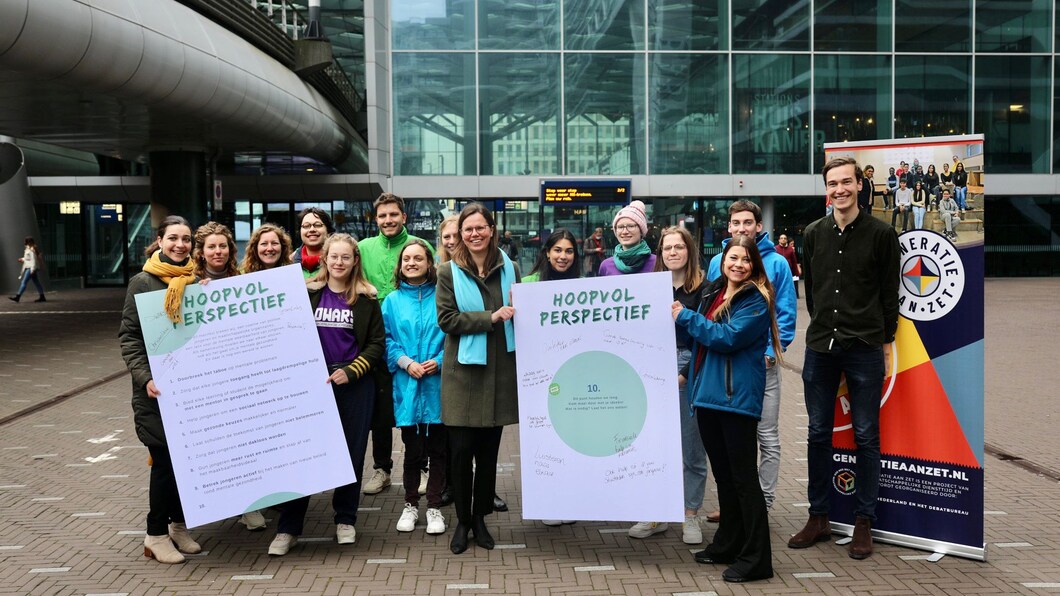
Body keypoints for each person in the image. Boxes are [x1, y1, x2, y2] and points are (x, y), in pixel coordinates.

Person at [789, 156, 899, 560]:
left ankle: (863, 521)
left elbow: (891, 295)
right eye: (833, 183)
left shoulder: (881, 234)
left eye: (846, 182)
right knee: (818, 432)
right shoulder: (814, 233)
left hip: (865, 348)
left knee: (867, 435)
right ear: (826, 189)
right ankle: (818, 517)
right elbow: (814, 292)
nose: (840, 189)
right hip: (821, 347)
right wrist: (824, 325)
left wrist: (885, 342)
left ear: (859, 185)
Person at [268, 234, 385, 556]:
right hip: (312, 384)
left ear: (354, 261)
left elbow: (376, 345)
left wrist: (352, 371)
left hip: (354, 384)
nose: (339, 262)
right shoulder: (305, 293)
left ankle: (345, 519)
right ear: (325, 259)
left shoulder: (367, 299)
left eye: (346, 257)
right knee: (303, 453)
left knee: (350, 454)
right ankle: (288, 527)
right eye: (334, 257)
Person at [673, 234, 781, 583]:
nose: (738, 264)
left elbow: (727, 337)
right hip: (706, 396)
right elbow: (698, 341)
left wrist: (686, 317)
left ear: (754, 265)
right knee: (725, 478)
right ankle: (728, 544)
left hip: (735, 400)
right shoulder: (714, 292)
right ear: (722, 260)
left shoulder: (756, 299)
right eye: (732, 257)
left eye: (745, 260)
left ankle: (757, 558)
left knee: (744, 480)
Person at [435, 203, 519, 554]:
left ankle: (480, 518)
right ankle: (463, 521)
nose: (474, 234)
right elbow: (447, 319)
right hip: (463, 376)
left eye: (480, 228)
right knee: (461, 453)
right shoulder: (447, 272)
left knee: (488, 455)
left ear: (491, 228)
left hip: (499, 373)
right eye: (468, 229)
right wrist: (491, 317)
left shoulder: (510, 268)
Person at [705, 200, 796, 516]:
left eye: (747, 222)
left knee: (767, 436)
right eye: (735, 223)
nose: (741, 228)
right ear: (728, 227)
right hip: (728, 369)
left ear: (759, 226)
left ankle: (764, 503)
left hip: (762, 366)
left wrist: (771, 355)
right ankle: (733, 503)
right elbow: (711, 312)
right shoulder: (718, 261)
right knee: (731, 441)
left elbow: (785, 316)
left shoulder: (778, 264)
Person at [119, 215, 200, 564]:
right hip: (157, 393)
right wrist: (144, 378)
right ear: (160, 241)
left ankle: (178, 526)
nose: (180, 245)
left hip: (189, 391)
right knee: (165, 464)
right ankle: (155, 534)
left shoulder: (195, 282)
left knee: (186, 463)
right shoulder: (143, 282)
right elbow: (130, 338)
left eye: (186, 239)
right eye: (173, 238)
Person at [359, 193, 433, 497]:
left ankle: (425, 466)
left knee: (418, 403)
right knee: (380, 409)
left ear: (404, 216)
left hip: (413, 340)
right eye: (382, 216)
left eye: (393, 215)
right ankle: (382, 468)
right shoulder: (363, 248)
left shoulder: (419, 246)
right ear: (375, 219)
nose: (388, 220)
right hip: (373, 337)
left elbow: (433, 286)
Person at [382, 239, 448, 537]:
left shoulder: (443, 297)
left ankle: (434, 507)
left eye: (418, 258)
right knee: (411, 451)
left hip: (437, 386)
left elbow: (454, 336)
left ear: (429, 263)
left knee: (438, 450)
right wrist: (405, 361)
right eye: (406, 258)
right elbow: (385, 339)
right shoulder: (391, 302)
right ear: (400, 265)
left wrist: (440, 360)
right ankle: (410, 504)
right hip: (407, 386)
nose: (411, 262)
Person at [231, 223, 294, 532]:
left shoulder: (293, 280)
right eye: (263, 244)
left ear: (283, 248)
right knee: (250, 443)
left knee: (276, 440)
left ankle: (276, 494)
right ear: (254, 249)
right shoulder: (239, 282)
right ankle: (249, 505)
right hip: (248, 376)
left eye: (275, 244)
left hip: (281, 373)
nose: (270, 248)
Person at [654, 226, 710, 545]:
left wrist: (686, 373)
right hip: (654, 365)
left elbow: (705, 337)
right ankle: (657, 512)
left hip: (689, 365)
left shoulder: (702, 289)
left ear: (689, 251)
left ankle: (691, 514)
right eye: (667, 248)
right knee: (655, 445)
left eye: (679, 247)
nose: (673, 252)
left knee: (691, 446)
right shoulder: (651, 288)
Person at [599, 200, 656, 277]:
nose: (625, 231)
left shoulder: (656, 262)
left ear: (641, 230)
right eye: (620, 227)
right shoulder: (605, 266)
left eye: (631, 226)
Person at [293, 207, 334, 279]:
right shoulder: (290, 262)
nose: (312, 230)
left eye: (318, 225)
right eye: (306, 226)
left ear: (328, 231)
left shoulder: (338, 263)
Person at [10, 236, 45, 302]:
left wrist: (32, 269)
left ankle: (18, 297)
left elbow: (33, 260)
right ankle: (42, 296)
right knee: (36, 282)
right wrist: (22, 259)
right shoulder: (29, 248)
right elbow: (28, 259)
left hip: (30, 268)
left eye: (25, 241)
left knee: (24, 282)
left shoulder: (31, 249)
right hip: (30, 267)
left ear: (28, 242)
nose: (24, 242)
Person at [775, 234, 800, 298]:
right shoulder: (775, 249)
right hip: (779, 271)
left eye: (785, 238)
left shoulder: (790, 249)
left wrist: (796, 272)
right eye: (781, 238)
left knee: (788, 286)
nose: (783, 239)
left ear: (786, 240)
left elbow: (794, 261)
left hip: (789, 271)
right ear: (779, 240)